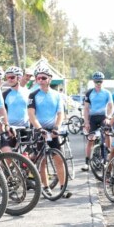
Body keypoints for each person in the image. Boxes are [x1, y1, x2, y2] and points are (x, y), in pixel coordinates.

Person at [28, 66, 71, 199]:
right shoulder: (33, 95)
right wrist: (39, 128)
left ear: (49, 79)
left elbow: (60, 113)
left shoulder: (57, 95)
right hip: (39, 129)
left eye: (43, 78)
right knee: (42, 160)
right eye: (38, 78)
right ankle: (45, 187)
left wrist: (56, 127)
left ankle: (63, 187)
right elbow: (31, 115)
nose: (40, 80)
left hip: (53, 130)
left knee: (58, 159)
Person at [82, 71, 114, 172]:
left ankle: (108, 154)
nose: (98, 84)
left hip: (103, 116)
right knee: (91, 139)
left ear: (102, 82)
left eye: (100, 82)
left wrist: (108, 117)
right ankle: (87, 162)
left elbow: (111, 106)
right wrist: (86, 121)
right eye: (96, 82)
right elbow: (86, 108)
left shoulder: (107, 93)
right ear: (93, 82)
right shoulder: (89, 92)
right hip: (93, 117)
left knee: (107, 133)